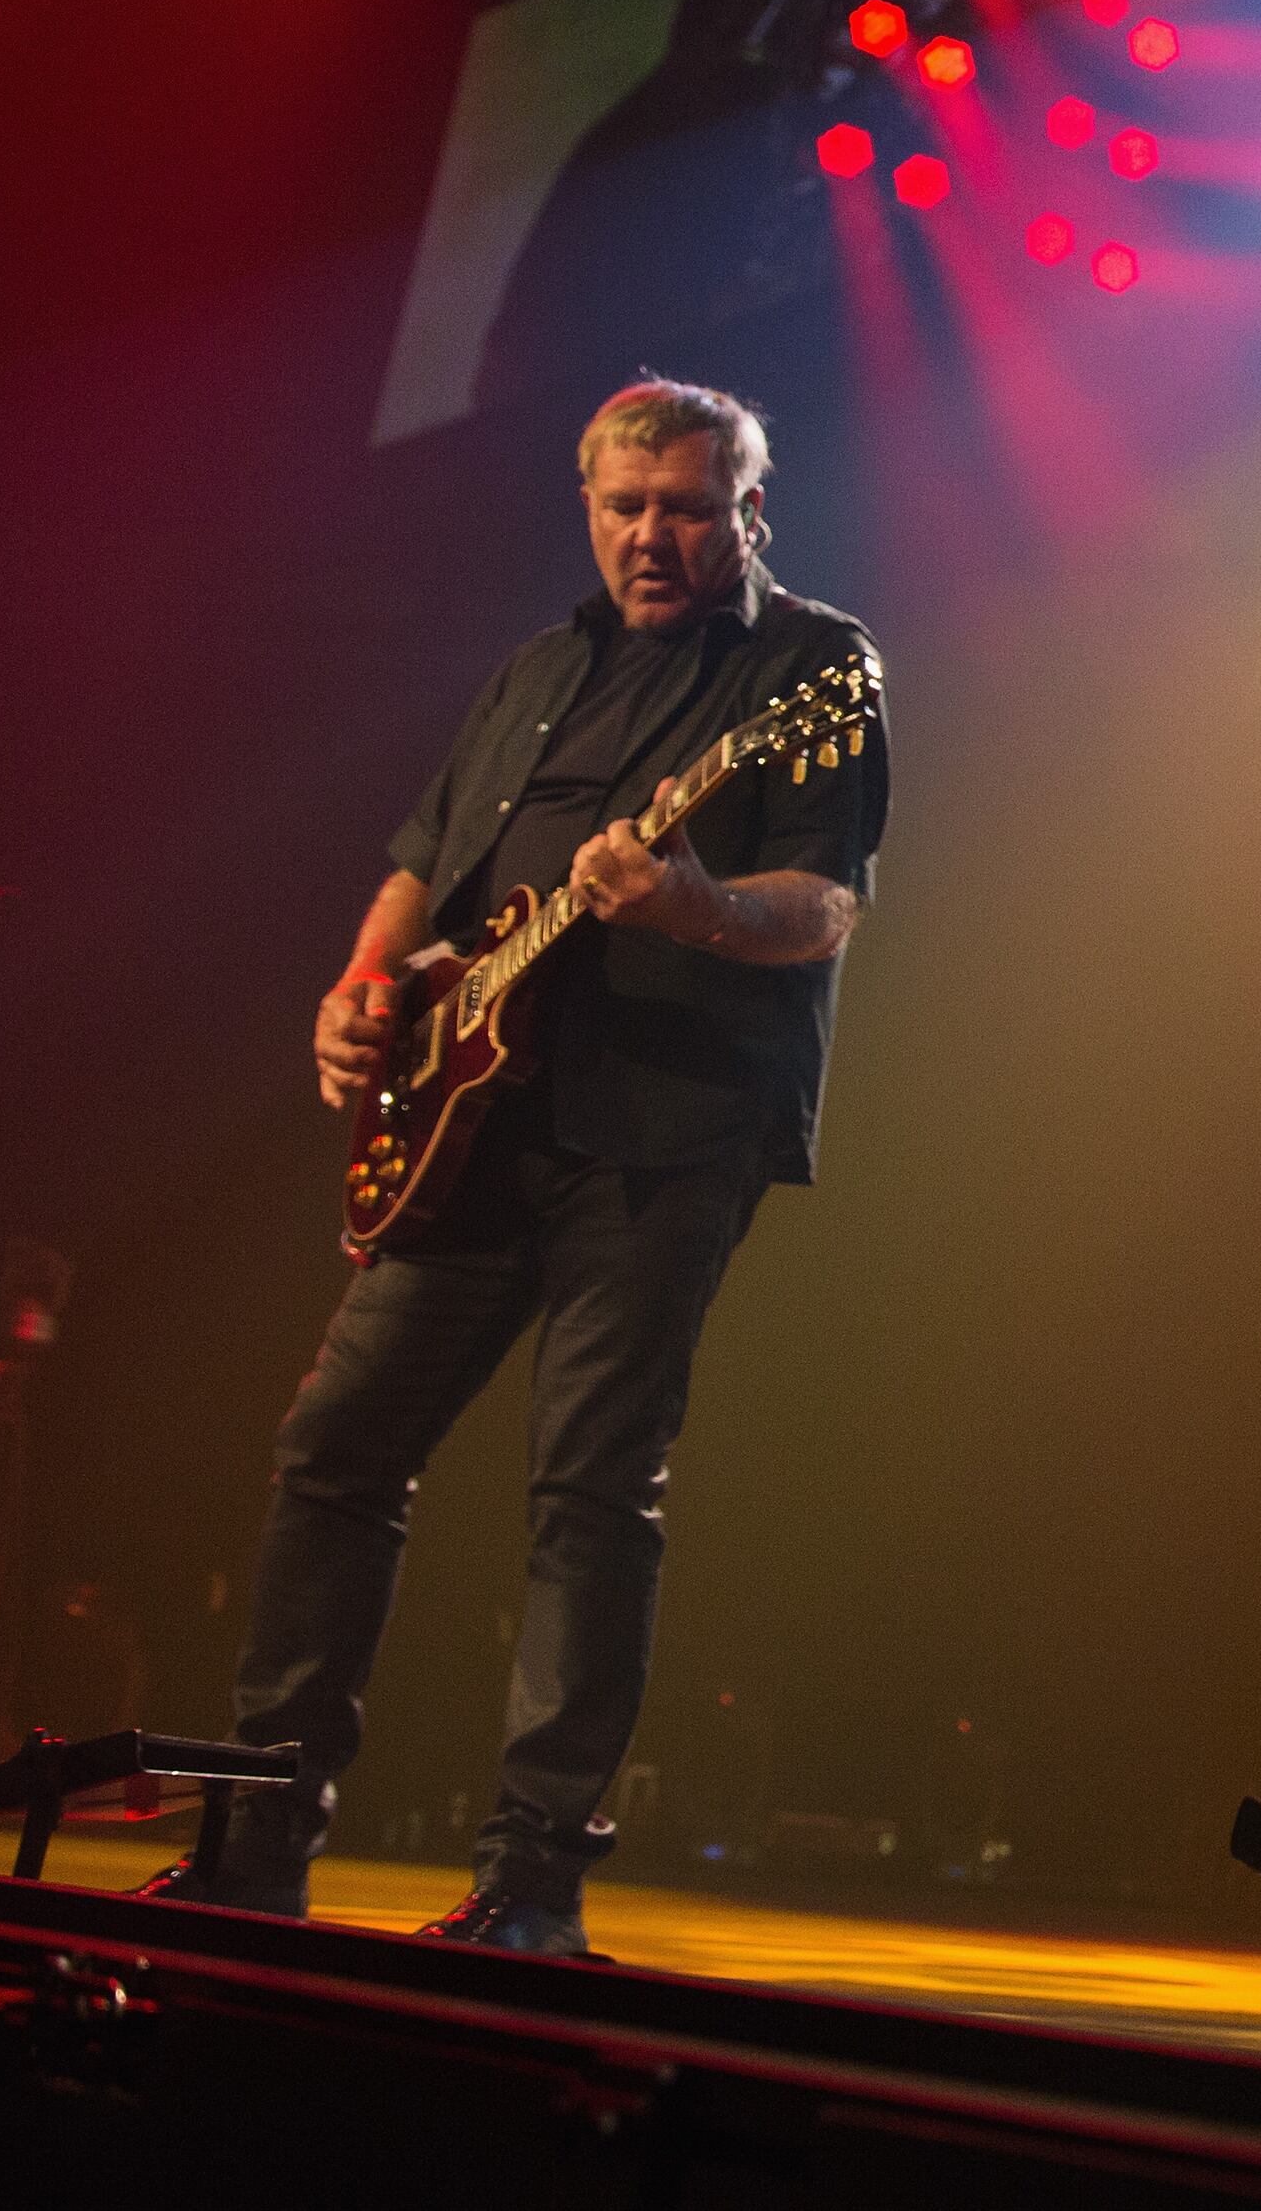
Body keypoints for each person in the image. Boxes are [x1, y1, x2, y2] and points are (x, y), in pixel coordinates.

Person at [145, 376, 891, 1954]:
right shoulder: (542, 669)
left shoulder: (812, 669)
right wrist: (361, 998)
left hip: (668, 1135)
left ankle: (534, 1882)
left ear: (749, 512)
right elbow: (426, 867)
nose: (650, 537)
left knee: (591, 1490)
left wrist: (691, 906)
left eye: (684, 508)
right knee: (335, 1444)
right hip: (470, 1127)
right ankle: (257, 1834)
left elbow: (823, 907)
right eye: (623, 508)